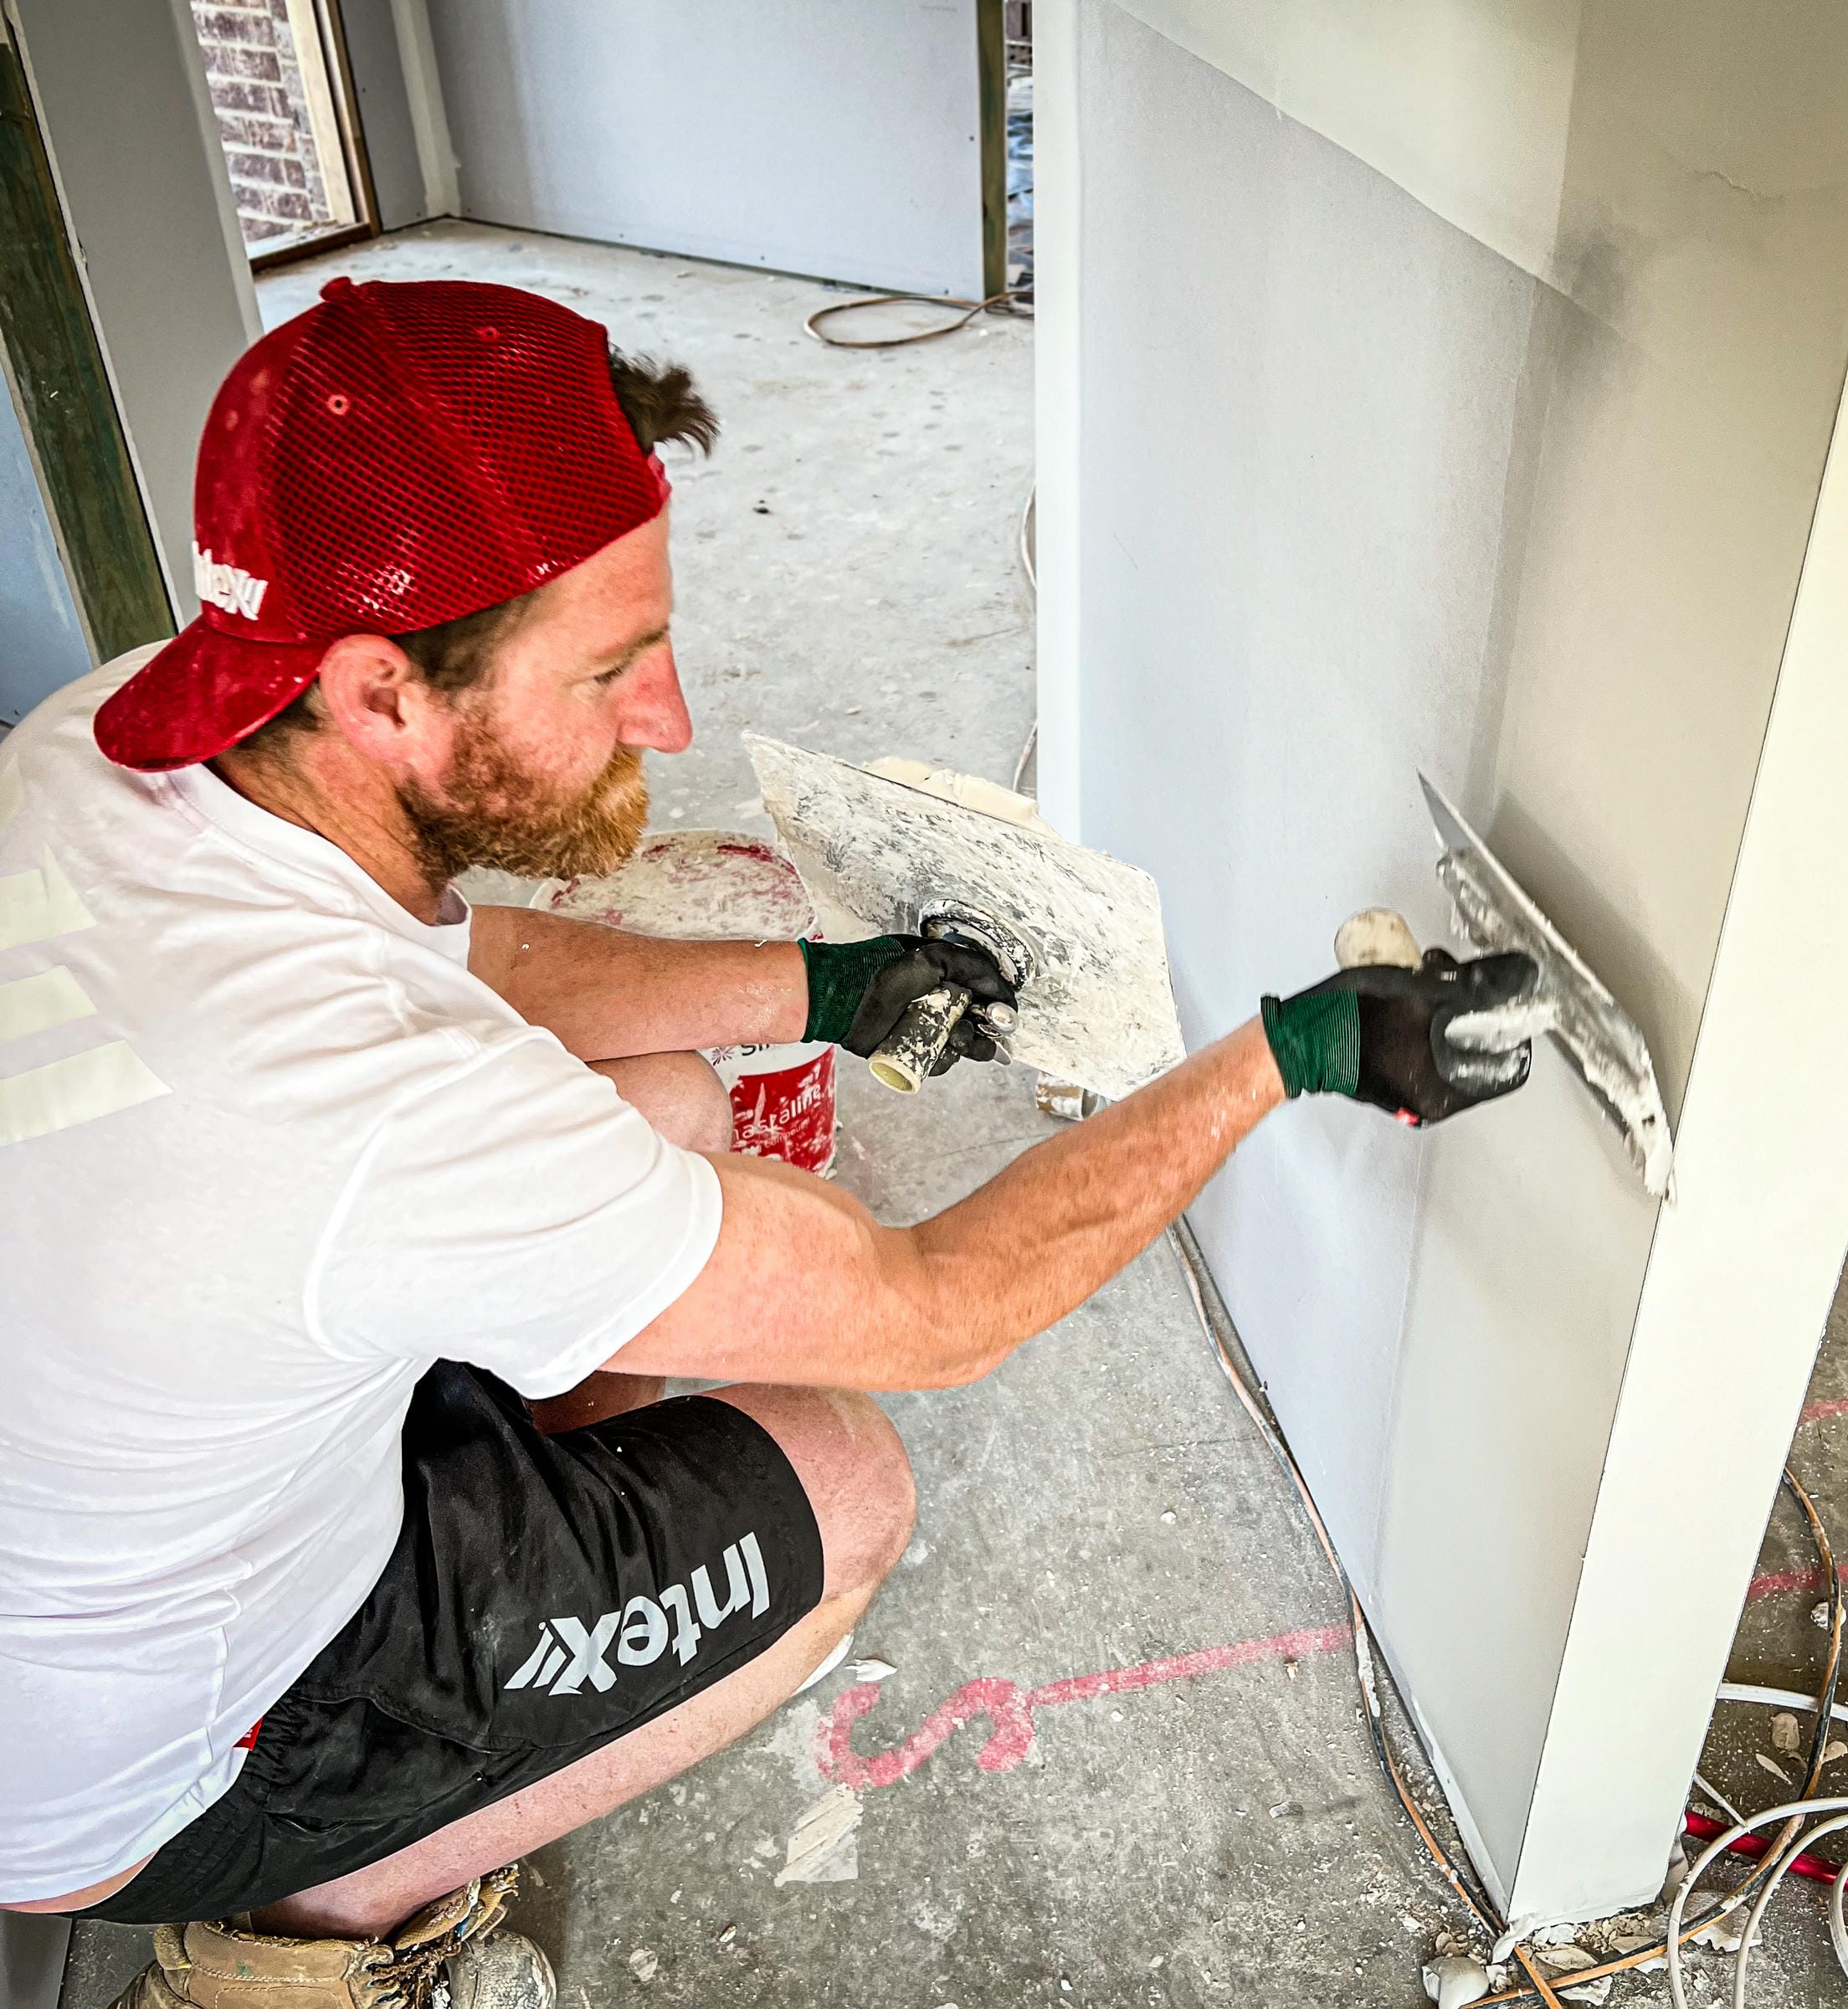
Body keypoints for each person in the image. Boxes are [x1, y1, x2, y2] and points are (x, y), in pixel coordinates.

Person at [0, 278, 1536, 2009]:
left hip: (111, 1495)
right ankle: (323, 1920)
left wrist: (828, 986)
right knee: (844, 1482)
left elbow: (460, 961)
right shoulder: (376, 1112)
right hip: (146, 1764)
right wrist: (1292, 1051)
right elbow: (935, 1307)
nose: (666, 716)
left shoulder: (124, 747)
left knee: (664, 1101)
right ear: (382, 695)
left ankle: (516, 1593)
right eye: (608, 669)